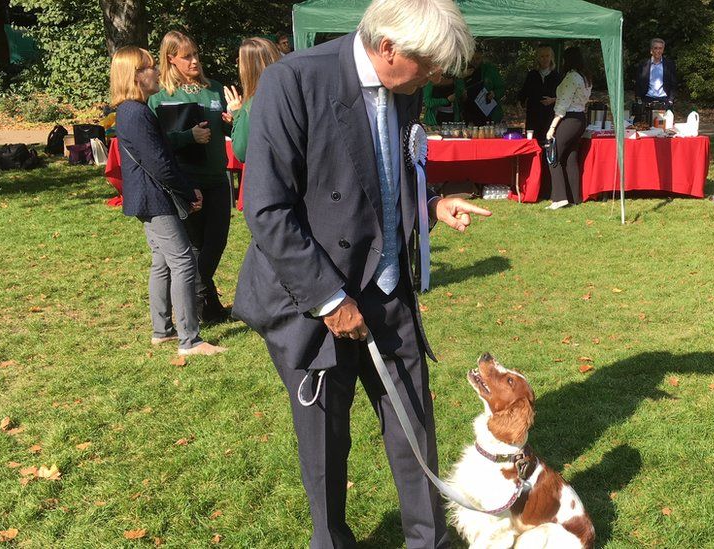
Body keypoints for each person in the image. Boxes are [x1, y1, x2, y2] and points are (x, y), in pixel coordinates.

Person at [232, 0, 487, 547]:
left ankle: (429, 541)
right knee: (324, 436)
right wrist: (328, 299)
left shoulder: (406, 86)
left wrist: (431, 204)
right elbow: (267, 208)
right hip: (313, 299)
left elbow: (385, 174)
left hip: (388, 290)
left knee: (413, 423)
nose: (436, 79)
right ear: (388, 47)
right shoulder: (293, 81)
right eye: (431, 66)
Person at [110, 46, 226, 356]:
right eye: (150, 68)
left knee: (161, 263)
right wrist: (190, 191)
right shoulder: (135, 112)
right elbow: (160, 163)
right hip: (155, 199)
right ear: (136, 76)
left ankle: (162, 331)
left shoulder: (134, 110)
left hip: (148, 198)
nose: (157, 71)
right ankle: (191, 340)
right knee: (183, 262)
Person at [148, 30, 233, 323]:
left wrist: (233, 120)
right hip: (187, 181)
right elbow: (154, 145)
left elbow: (231, 134)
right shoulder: (159, 98)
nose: (195, 60)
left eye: (196, 53)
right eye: (187, 56)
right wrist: (187, 136)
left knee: (217, 242)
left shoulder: (215, 89)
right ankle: (201, 305)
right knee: (196, 245)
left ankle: (198, 298)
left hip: (217, 179)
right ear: (171, 59)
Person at [545, 46, 592, 210]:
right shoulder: (584, 78)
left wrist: (552, 127)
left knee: (553, 156)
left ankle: (559, 198)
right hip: (580, 119)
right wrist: (554, 99)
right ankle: (574, 197)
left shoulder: (571, 77)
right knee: (571, 158)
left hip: (569, 119)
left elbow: (563, 105)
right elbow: (573, 97)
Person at [224, 37, 282, 163]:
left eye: (240, 61)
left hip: (268, 176)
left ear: (248, 66)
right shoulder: (287, 95)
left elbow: (242, 152)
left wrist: (238, 114)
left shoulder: (252, 103)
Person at [517, 44, 561, 145]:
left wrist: (553, 100)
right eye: (542, 56)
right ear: (538, 58)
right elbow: (524, 92)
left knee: (548, 144)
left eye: (547, 56)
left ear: (551, 58)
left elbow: (564, 97)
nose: (545, 59)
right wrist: (519, 103)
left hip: (550, 116)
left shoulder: (557, 76)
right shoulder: (532, 74)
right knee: (533, 144)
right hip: (534, 116)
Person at [461, 50, 505, 125]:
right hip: (469, 111)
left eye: (477, 59)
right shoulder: (462, 70)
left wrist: (494, 94)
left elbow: (501, 88)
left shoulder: (490, 70)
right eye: (472, 59)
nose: (475, 61)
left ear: (482, 58)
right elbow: (457, 91)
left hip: (488, 111)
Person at [635, 38, 677, 109]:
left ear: (663, 50)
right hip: (647, 99)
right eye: (655, 48)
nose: (658, 51)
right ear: (651, 50)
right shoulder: (643, 65)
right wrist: (639, 99)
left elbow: (674, 83)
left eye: (660, 48)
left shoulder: (669, 64)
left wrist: (671, 100)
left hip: (665, 100)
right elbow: (638, 83)